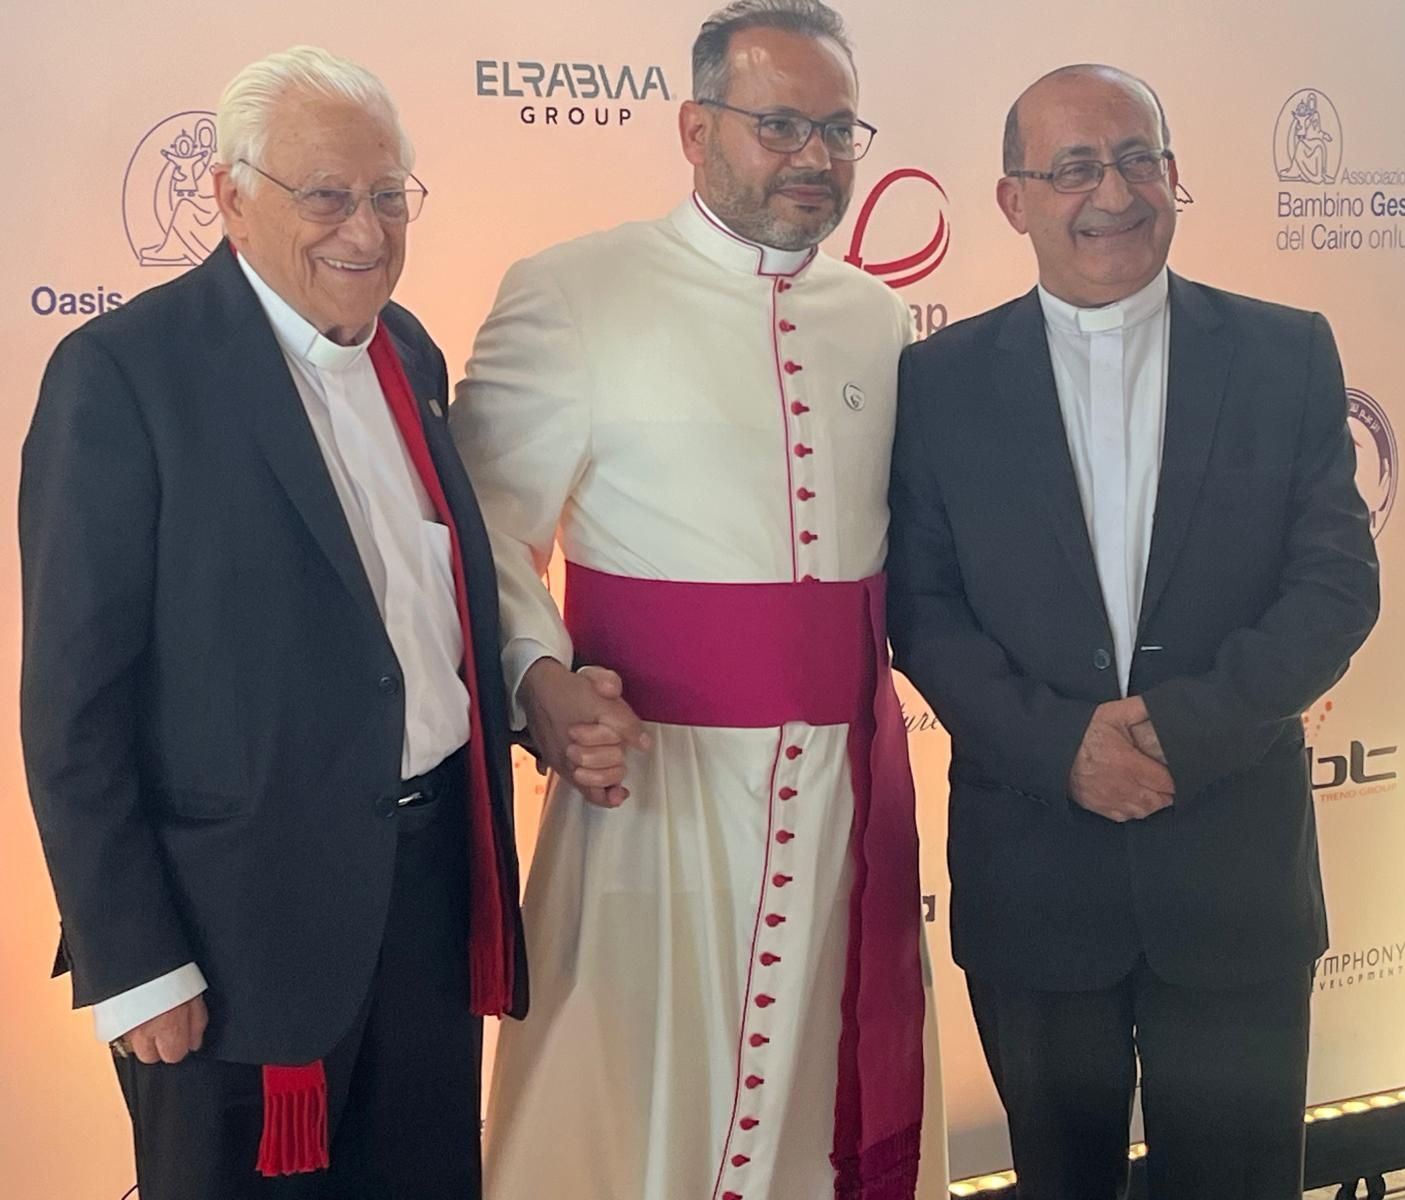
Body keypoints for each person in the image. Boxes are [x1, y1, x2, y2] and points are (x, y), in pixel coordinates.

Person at [451, 2, 946, 1197]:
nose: (815, 160)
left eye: (838, 131)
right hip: (653, 802)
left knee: (821, 1112)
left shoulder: (877, 319)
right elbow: (477, 533)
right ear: (694, 128)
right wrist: (539, 682)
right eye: (779, 126)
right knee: (626, 1117)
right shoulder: (572, 291)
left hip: (841, 798)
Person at [19, 45, 523, 1200]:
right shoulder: (124, 375)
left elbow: (409, 626)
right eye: (328, 194)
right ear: (232, 197)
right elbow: (71, 705)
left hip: (430, 900)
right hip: (230, 943)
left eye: (390, 195)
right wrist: (135, 963)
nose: (368, 228)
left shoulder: (409, 352)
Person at [886, 64, 1380, 1200]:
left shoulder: (1284, 351)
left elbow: (1334, 587)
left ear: (1170, 174)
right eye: (1071, 167)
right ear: (1013, 200)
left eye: (1137, 158)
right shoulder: (937, 380)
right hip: (1033, 877)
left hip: (1233, 875)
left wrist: (1175, 730)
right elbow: (920, 606)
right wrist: (1062, 747)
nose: (1111, 191)